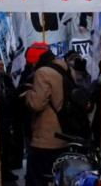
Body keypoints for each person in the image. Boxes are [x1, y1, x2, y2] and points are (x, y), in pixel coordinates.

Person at [23, 47, 72, 185]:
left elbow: (36, 104)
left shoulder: (42, 72)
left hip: (46, 135)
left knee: (38, 178)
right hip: (65, 132)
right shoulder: (66, 68)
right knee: (58, 176)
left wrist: (28, 94)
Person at [0, 58, 20, 181]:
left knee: (7, 146)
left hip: (7, 116)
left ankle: (6, 171)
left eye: (1, 65)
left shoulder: (6, 78)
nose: (0, 67)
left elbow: (13, 92)